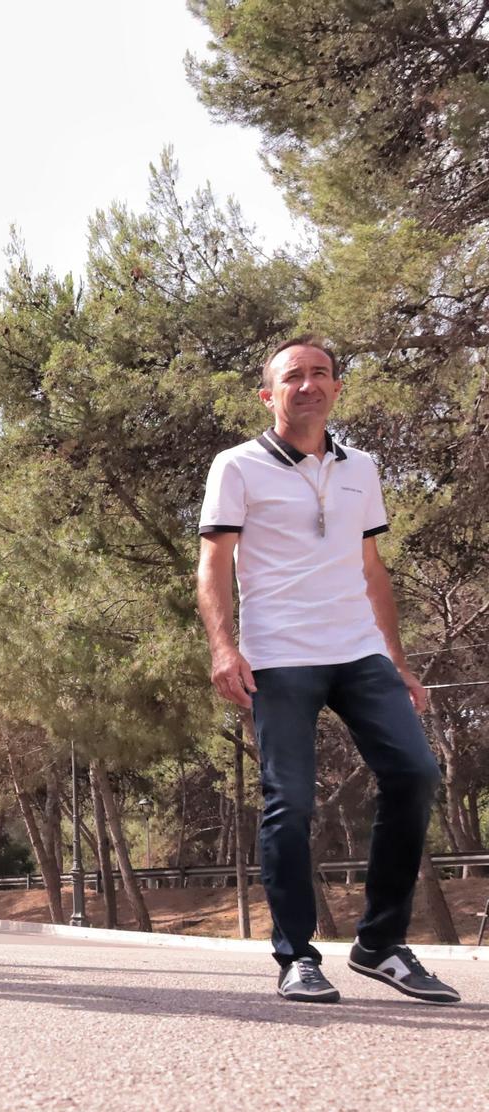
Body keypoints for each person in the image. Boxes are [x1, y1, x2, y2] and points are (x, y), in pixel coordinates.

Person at [197, 336, 457, 1005]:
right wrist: (224, 647)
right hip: (279, 654)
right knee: (291, 802)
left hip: (359, 650)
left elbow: (371, 567)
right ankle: (297, 955)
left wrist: (396, 659)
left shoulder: (361, 468)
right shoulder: (238, 466)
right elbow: (214, 565)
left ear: (337, 388)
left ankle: (379, 944)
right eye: (293, 377)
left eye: (320, 374)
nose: (308, 385)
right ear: (268, 394)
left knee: (416, 772)